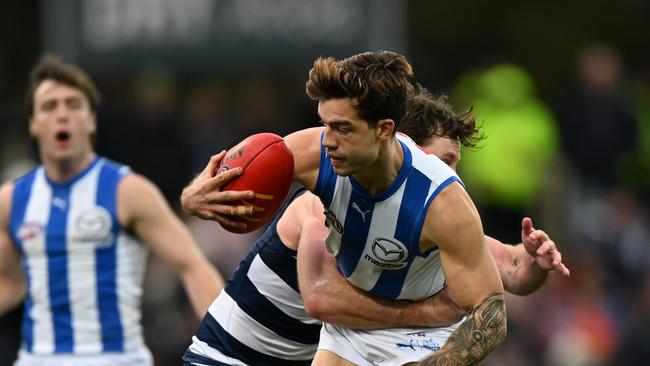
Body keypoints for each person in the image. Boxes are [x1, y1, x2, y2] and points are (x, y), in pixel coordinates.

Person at [182, 87, 570, 365]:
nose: (452, 177)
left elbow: (510, 271)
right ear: (403, 150)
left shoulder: (428, 218)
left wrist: (535, 261)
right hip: (230, 356)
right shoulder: (324, 206)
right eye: (444, 161)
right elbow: (322, 299)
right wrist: (428, 314)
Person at [0, 55, 247, 366]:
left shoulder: (128, 191)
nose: (62, 115)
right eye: (50, 106)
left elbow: (192, 266)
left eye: (73, 105)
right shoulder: (11, 201)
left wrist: (229, 347)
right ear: (33, 123)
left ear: (90, 120)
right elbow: (9, 282)